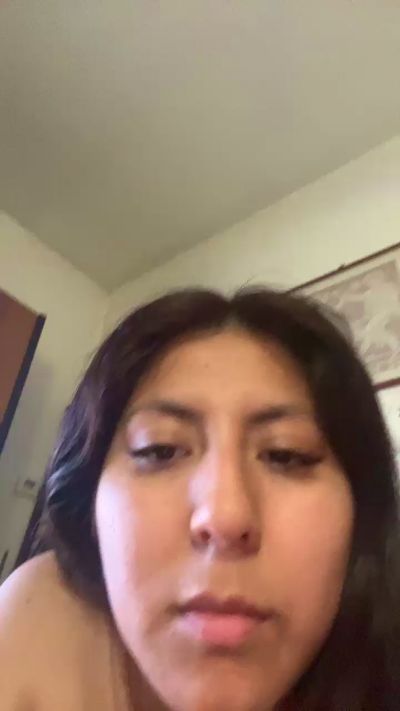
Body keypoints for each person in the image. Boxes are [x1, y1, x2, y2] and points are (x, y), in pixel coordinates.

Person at [0, 287, 399, 711]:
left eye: (286, 454)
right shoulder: (41, 614)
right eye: (159, 450)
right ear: (90, 507)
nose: (225, 517)